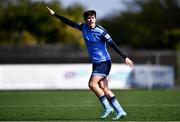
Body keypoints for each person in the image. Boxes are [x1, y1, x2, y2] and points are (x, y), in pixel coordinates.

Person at [47, 7, 134, 120]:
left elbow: (113, 45)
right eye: (89, 18)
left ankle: (107, 107)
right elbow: (69, 22)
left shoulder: (101, 31)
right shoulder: (83, 27)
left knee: (92, 85)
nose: (91, 20)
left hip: (103, 62)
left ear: (95, 19)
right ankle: (120, 111)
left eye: (93, 17)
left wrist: (125, 57)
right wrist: (55, 14)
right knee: (103, 87)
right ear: (86, 20)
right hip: (97, 63)